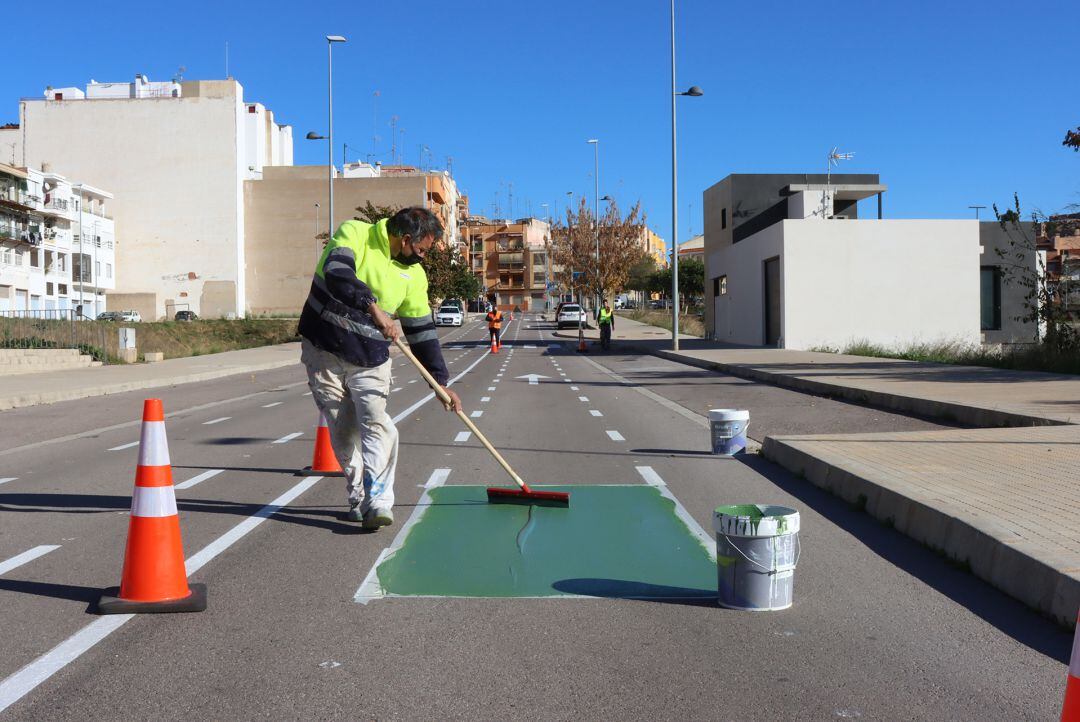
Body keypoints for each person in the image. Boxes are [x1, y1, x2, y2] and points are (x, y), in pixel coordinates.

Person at [298, 207, 462, 530]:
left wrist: (440, 384)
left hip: (370, 356)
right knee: (342, 428)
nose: (423, 257)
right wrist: (372, 306)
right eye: (422, 249)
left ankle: (379, 501)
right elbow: (338, 272)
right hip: (323, 349)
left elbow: (422, 333)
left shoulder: (415, 276)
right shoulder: (355, 234)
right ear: (405, 239)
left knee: (375, 421)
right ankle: (358, 492)